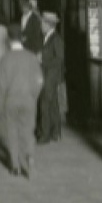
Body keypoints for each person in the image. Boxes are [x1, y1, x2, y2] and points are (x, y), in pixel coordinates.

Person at [0, 26, 44, 178]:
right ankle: (30, 159)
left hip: (10, 101)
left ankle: (15, 165)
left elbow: (1, 85)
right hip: (28, 100)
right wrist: (33, 96)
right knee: (28, 131)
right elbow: (39, 81)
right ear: (22, 39)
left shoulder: (5, 59)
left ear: (8, 41)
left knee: (12, 132)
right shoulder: (31, 57)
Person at [36, 11, 66, 143]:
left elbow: (60, 59)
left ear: (49, 25)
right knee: (52, 104)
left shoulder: (56, 39)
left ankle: (45, 135)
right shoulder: (46, 37)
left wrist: (42, 61)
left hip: (51, 76)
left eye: (42, 23)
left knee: (45, 104)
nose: (41, 25)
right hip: (47, 74)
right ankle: (55, 132)